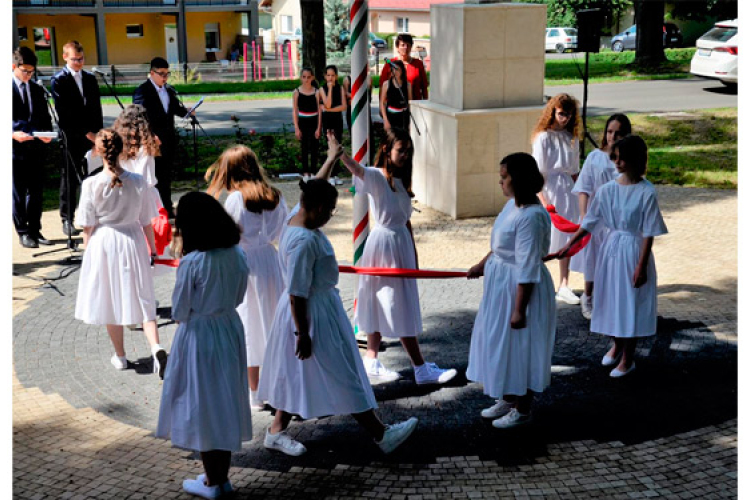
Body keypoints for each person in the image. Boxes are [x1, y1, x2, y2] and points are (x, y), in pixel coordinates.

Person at [256, 175, 418, 457]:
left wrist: (331, 158)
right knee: (343, 372)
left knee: (299, 371)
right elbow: (297, 292)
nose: (331, 216)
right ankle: (381, 435)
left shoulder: (294, 219)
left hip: (312, 310)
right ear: (316, 207)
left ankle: (276, 431)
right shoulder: (304, 241)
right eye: (330, 210)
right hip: (312, 315)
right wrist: (303, 333)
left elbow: (313, 185)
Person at [336, 128, 457, 385]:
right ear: (386, 150)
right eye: (401, 150)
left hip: (399, 245)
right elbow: (357, 169)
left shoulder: (401, 181)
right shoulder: (378, 177)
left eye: (408, 150)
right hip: (383, 246)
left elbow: (407, 222)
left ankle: (372, 359)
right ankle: (420, 367)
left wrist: (413, 255)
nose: (405, 155)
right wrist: (340, 153)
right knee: (392, 302)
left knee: (388, 300)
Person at [156, 192, 251, 499]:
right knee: (224, 401)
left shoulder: (192, 262)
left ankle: (213, 481)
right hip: (228, 328)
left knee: (204, 405)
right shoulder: (237, 254)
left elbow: (180, 310)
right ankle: (220, 477)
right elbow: (239, 297)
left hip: (199, 336)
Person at [552, 135, 668, 378]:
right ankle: (617, 344)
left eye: (622, 159)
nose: (617, 162)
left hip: (634, 250)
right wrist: (569, 245)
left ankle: (628, 358)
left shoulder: (646, 191)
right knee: (611, 299)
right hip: (611, 250)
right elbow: (590, 221)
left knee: (630, 302)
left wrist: (641, 265)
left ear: (635, 160)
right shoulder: (607, 190)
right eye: (616, 157)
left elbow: (648, 231)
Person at [466, 153, 556, 428]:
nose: (500, 181)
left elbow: (527, 265)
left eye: (504, 177)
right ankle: (508, 396)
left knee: (521, 347)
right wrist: (482, 264)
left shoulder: (531, 216)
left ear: (518, 180)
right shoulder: (512, 207)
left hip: (520, 290)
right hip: (501, 286)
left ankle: (523, 407)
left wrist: (519, 310)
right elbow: (500, 244)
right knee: (500, 344)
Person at [74, 129, 167, 377]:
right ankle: (156, 346)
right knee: (144, 296)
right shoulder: (138, 181)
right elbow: (147, 221)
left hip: (104, 242)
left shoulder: (91, 184)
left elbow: (87, 225)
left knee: (110, 299)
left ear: (100, 152)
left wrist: (88, 253)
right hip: (133, 240)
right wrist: (154, 250)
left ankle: (121, 356)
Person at [205, 145, 289, 411]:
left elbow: (227, 234)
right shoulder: (274, 196)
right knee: (272, 321)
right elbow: (280, 232)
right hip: (270, 261)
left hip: (245, 263)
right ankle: (277, 386)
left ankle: (255, 391)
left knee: (250, 324)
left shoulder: (236, 199)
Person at [571, 113, 632, 320]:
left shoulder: (627, 161)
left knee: (615, 261)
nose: (613, 136)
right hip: (595, 219)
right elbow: (583, 188)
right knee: (592, 259)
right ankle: (587, 297)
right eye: (610, 131)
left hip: (616, 222)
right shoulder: (595, 157)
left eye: (618, 133)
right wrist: (583, 215)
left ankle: (610, 300)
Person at [531, 93, 582, 306]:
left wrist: (581, 195)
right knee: (543, 238)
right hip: (549, 188)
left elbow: (574, 172)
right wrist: (544, 201)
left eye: (568, 115)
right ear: (553, 112)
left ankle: (564, 284)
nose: (565, 119)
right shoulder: (543, 137)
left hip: (567, 190)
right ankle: (534, 283)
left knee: (567, 239)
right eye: (561, 114)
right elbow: (538, 173)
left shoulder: (572, 138)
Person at [50, 40, 104, 238]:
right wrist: (84, 132)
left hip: (92, 136)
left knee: (94, 176)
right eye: (75, 59)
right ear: (65, 57)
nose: (79, 63)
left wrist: (97, 134)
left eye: (81, 59)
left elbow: (96, 108)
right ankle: (67, 218)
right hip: (72, 136)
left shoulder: (90, 79)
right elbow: (65, 113)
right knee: (70, 180)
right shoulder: (59, 80)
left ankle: (94, 215)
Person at [133, 57, 190, 219]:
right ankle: (153, 210)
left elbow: (174, 109)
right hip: (151, 141)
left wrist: (187, 111)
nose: (165, 77)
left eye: (167, 74)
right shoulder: (142, 91)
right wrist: (150, 136)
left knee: (165, 176)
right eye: (161, 74)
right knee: (152, 176)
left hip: (168, 139)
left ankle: (167, 206)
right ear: (152, 73)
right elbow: (138, 118)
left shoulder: (169, 90)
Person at [12, 46, 54, 249]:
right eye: (24, 71)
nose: (28, 75)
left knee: (36, 191)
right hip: (14, 149)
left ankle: (35, 230)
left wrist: (46, 133)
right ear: (14, 66)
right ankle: (23, 231)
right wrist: (11, 134)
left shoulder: (37, 89)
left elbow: (44, 118)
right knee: (18, 192)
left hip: (36, 147)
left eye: (31, 71)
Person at [319, 65, 347, 185]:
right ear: (325, 76)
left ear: (336, 76)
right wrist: (329, 89)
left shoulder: (340, 88)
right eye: (328, 75)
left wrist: (329, 109)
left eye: (333, 75)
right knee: (330, 145)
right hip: (328, 120)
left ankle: (336, 174)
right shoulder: (322, 89)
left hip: (337, 119)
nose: (330, 78)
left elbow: (344, 106)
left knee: (337, 144)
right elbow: (328, 104)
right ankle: (329, 174)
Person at [379, 33, 429, 101]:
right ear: (397, 47)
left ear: (411, 47)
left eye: (408, 45)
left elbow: (424, 87)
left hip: (414, 105)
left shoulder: (418, 64)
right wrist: (382, 107)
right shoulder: (389, 64)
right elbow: (382, 86)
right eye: (402, 45)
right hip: (394, 106)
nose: (405, 47)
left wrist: (425, 103)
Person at [292, 67, 321, 180]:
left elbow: (319, 111)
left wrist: (319, 127)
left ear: (312, 77)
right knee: (304, 147)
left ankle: (313, 171)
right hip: (303, 121)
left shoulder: (316, 92)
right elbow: (295, 110)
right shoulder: (297, 92)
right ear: (301, 78)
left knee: (314, 147)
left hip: (313, 120)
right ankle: (305, 172)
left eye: (309, 77)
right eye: (304, 77)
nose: (306, 79)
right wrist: (296, 128)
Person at [380, 59, 411, 132]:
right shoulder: (386, 84)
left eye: (398, 70)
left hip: (403, 117)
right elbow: (382, 103)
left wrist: (410, 122)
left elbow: (410, 104)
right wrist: (385, 120)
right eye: (393, 69)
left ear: (402, 71)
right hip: (391, 116)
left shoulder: (408, 85)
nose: (395, 72)